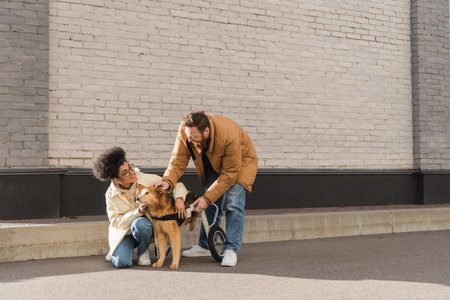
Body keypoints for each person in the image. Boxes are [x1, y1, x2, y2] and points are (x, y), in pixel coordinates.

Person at [153, 111, 258, 267]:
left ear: (206, 131)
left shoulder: (228, 135)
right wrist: (168, 181)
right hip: (212, 162)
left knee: (233, 204)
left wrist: (207, 198)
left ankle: (230, 249)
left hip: (240, 164)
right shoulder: (186, 131)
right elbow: (178, 160)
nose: (189, 139)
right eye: (188, 136)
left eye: (194, 137)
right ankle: (205, 245)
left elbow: (230, 173)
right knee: (208, 202)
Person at [92, 147, 188, 268]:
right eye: (125, 172)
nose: (132, 172)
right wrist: (136, 212)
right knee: (123, 262)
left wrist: (179, 198)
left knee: (141, 224)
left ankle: (143, 250)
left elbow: (177, 185)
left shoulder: (145, 179)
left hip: (143, 229)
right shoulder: (111, 195)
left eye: (130, 167)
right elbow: (116, 222)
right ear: (116, 180)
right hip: (124, 233)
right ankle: (118, 249)